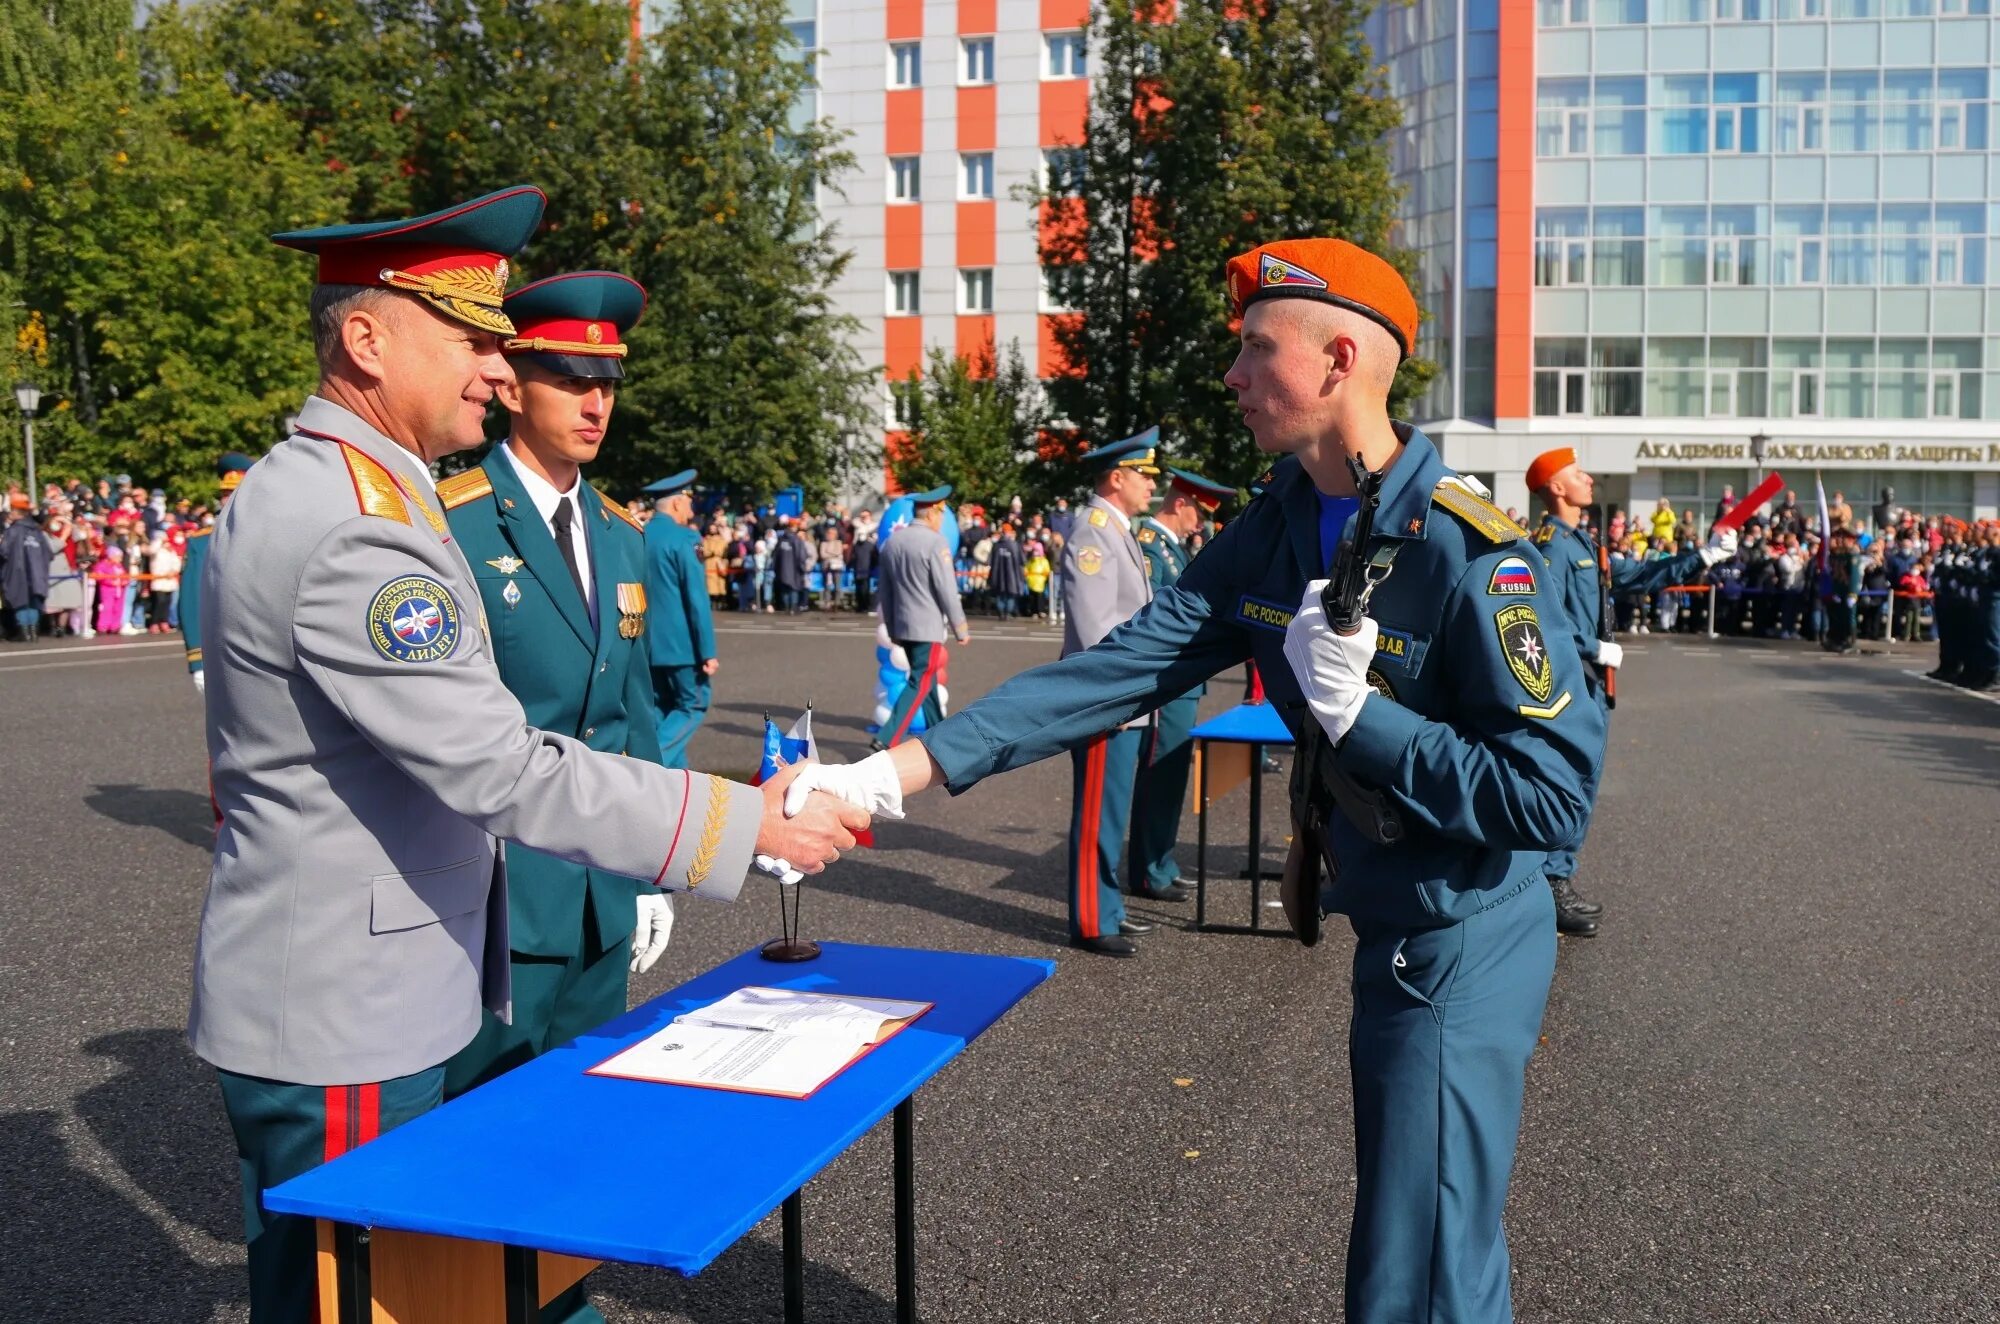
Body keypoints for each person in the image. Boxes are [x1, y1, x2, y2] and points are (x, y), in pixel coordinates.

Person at [791, 237, 1601, 1324]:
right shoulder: (1270, 528)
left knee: (1425, 1270)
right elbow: (1115, 671)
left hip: (1461, 934)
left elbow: (1549, 797)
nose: (1230, 377)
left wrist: (1368, 722)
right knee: (1407, 1250)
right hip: (1390, 922)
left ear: (1338, 360)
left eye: (1255, 349)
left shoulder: (1472, 554)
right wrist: (892, 772)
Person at [193, 186, 866, 1324]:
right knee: (363, 1299)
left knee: (418, 1277)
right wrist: (741, 824)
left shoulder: (363, 494)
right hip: (347, 1012)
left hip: (378, 983)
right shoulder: (359, 523)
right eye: (468, 339)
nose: (498, 372)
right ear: (365, 339)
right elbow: (497, 764)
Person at [432, 269, 667, 1324]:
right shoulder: (452, 523)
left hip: (597, 895)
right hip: (494, 897)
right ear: (513, 381)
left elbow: (630, 722)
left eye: (607, 380)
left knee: (584, 1122)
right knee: (485, 1133)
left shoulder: (623, 535)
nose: (594, 401)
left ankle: (559, 1302)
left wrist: (651, 859)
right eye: (569, 376)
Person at [1524, 447, 1734, 935]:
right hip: (1570, 683)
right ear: (1556, 487)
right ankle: (1551, 885)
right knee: (1571, 783)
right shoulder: (1552, 547)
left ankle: (1551, 881)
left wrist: (1702, 555)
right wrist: (1591, 648)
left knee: (1582, 783)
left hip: (1592, 683)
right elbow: (1539, 613)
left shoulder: (1582, 543)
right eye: (1577, 474)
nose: (1589, 479)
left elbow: (1636, 577)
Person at [1054, 430, 1162, 955]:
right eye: (1145, 477)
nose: (1150, 488)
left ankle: (1108, 908)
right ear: (1117, 478)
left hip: (1125, 698)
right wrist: (1111, 698)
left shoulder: (1116, 529)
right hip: (1106, 701)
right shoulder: (1094, 530)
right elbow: (1096, 627)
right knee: (1098, 810)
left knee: (1112, 811)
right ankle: (1094, 920)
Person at [1128, 466, 1235, 906]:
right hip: (1167, 680)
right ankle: (1148, 870)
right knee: (1160, 775)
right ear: (1180, 504)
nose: (1203, 524)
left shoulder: (1172, 548)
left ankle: (1162, 863)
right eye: (1199, 513)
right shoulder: (1152, 549)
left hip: (1182, 683)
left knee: (1172, 777)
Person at [873, 487, 969, 749]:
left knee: (927, 680)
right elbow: (947, 590)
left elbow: (886, 591)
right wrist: (960, 627)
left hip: (902, 625)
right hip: (927, 626)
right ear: (932, 514)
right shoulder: (936, 542)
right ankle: (887, 737)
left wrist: (892, 627)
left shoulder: (893, 542)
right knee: (921, 680)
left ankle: (941, 734)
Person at [642, 469, 717, 768]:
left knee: (662, 708)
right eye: (689, 501)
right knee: (692, 705)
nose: (691, 508)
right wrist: (707, 651)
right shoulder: (686, 538)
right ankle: (649, 763)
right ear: (676, 504)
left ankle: (674, 781)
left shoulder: (637, 534)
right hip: (682, 645)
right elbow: (696, 599)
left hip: (646, 643)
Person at [179, 453, 253, 693]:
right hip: (224, 652)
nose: (229, 500)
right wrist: (197, 658)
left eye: (235, 492)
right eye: (225, 494)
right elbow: (192, 601)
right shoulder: (202, 542)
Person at [1, 499, 52, 642]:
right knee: (34, 600)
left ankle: (24, 631)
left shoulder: (13, 531)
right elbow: (48, 553)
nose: (10, 513)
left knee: (20, 599)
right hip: (37, 572)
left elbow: (4, 551)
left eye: (13, 511)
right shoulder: (38, 531)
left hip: (17, 571)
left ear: (19, 513)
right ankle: (33, 631)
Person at [1824, 526, 1863, 653]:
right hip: (1838, 589)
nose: (1840, 540)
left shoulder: (1852, 555)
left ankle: (1849, 641)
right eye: (1838, 538)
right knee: (1837, 616)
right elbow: (1832, 575)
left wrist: (1852, 593)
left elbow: (1854, 575)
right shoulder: (1835, 555)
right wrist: (1832, 591)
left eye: (1843, 538)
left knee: (1848, 616)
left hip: (1848, 590)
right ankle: (1836, 639)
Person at [987, 522, 1025, 619]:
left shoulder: (996, 545)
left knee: (1000, 594)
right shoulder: (1015, 545)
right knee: (1011, 594)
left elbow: (990, 561)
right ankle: (1007, 612)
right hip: (1013, 574)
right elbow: (1022, 561)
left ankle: (1001, 613)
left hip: (998, 574)